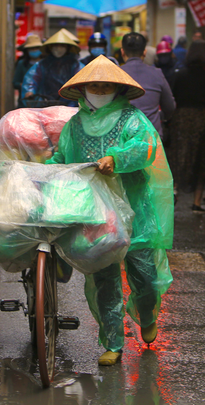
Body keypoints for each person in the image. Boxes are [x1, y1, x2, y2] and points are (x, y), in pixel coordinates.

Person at [45, 55, 174, 366]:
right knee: (105, 278)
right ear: (84, 89)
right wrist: (45, 173)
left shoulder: (132, 119)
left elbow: (143, 148)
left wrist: (116, 159)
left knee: (143, 275)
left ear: (117, 89)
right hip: (95, 211)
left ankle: (146, 313)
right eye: (94, 85)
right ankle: (113, 342)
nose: (100, 89)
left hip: (134, 207)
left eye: (106, 85)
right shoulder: (75, 125)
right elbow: (62, 156)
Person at [168, 40, 205, 212]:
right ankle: (197, 201)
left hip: (180, 117)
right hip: (202, 119)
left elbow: (171, 97)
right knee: (202, 159)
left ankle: (174, 192)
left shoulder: (179, 74)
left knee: (178, 156)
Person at [119, 32, 176, 138]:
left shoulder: (115, 74)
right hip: (152, 139)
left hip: (123, 139)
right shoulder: (157, 73)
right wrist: (160, 116)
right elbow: (170, 107)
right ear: (144, 52)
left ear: (122, 52)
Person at [22, 29, 82, 107]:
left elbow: (82, 80)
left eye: (62, 46)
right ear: (50, 48)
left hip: (70, 105)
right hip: (46, 103)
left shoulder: (75, 64)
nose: (58, 48)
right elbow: (31, 79)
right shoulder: (42, 64)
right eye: (55, 46)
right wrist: (29, 92)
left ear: (68, 48)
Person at [13, 34, 43, 107]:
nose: (34, 50)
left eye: (36, 48)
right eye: (31, 48)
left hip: (43, 101)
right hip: (25, 102)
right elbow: (15, 83)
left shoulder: (45, 64)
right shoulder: (22, 64)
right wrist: (25, 86)